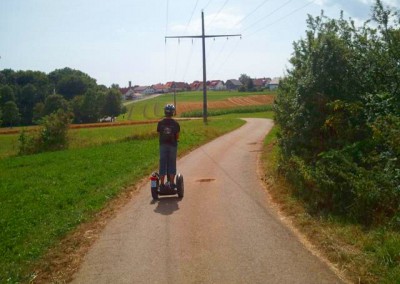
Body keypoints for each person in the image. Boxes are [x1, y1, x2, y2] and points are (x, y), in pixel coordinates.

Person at [157, 104, 180, 189]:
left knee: (162, 163)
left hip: (163, 145)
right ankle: (172, 183)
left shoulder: (160, 123)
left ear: (165, 112)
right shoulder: (176, 123)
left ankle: (162, 184)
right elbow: (177, 136)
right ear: (173, 112)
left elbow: (159, 134)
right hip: (173, 145)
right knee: (172, 163)